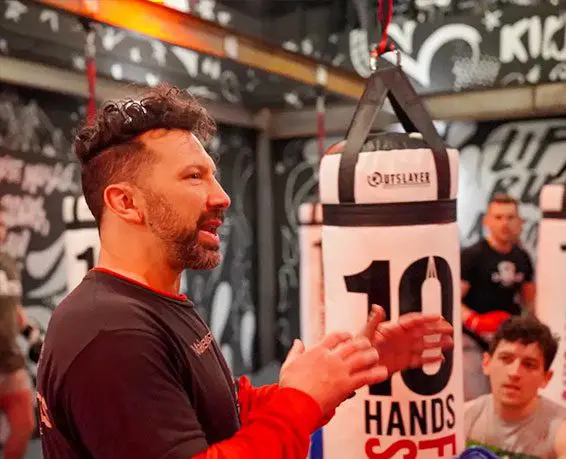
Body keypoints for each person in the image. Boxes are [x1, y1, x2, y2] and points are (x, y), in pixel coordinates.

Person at [36, 84, 454, 459]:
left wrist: (342, 369)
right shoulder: (111, 335)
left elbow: (221, 409)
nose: (222, 197)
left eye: (212, 176)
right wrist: (300, 400)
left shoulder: (150, 305)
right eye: (193, 177)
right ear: (125, 203)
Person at [461, 193, 536, 400]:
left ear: (519, 221)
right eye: (499, 217)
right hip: (472, 340)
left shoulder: (522, 257)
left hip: (507, 339)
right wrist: (475, 321)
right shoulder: (472, 255)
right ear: (487, 221)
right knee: (476, 399)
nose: (505, 223)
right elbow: (450, 300)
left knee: (507, 398)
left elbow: (529, 302)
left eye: (510, 217)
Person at [464, 316, 566, 458]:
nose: (514, 373)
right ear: (486, 363)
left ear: (546, 378)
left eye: (529, 364)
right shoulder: (463, 417)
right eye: (506, 359)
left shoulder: (560, 430)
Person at [0, 221, 36, 459]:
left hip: (9, 360)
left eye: (3, 224)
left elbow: (16, 311)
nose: (2, 227)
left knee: (24, 422)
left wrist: (33, 338)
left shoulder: (8, 264)